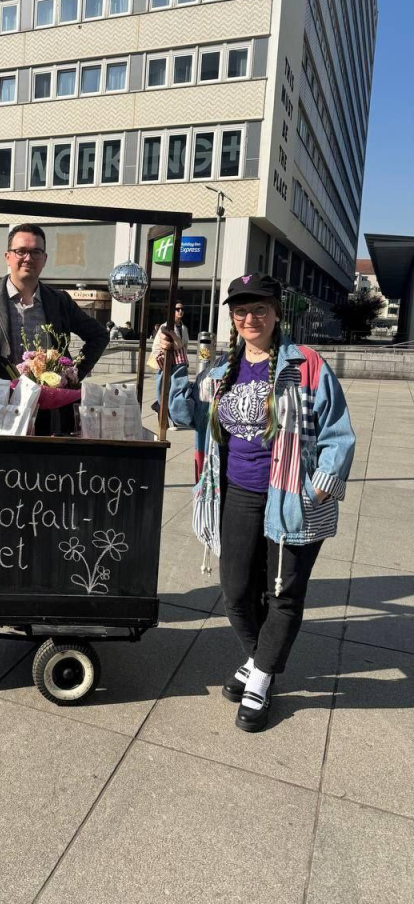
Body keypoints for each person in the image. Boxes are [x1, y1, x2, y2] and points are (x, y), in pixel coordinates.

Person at [156, 273, 355, 732]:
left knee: (282, 594)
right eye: (241, 309)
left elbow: (338, 433)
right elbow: (182, 412)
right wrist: (172, 367)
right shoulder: (224, 369)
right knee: (237, 592)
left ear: (276, 311)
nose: (250, 317)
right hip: (238, 494)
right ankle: (257, 659)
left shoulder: (305, 364)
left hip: (292, 497)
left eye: (259, 308)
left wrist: (316, 489)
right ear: (232, 316)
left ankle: (260, 678)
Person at [0, 223, 109, 381]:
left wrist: (73, 375)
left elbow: (99, 335)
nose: (28, 258)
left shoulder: (60, 301)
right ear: (7, 257)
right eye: (21, 251)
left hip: (48, 405)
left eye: (36, 252)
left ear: (44, 259)